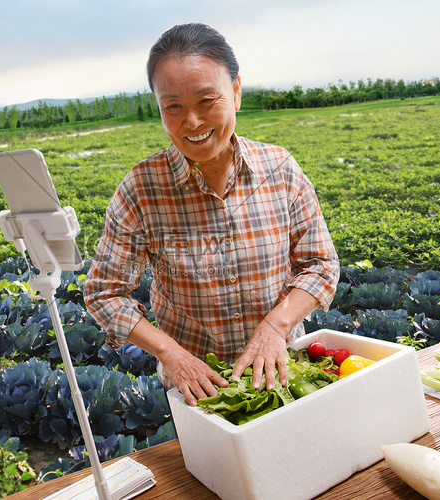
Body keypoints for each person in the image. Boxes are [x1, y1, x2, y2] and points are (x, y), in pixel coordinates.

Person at [84, 23, 339, 406]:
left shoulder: (279, 168)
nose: (192, 122)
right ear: (158, 108)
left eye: (206, 101)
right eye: (173, 106)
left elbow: (320, 265)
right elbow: (105, 293)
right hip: (196, 387)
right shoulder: (141, 189)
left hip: (284, 371)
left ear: (235, 93)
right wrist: (173, 355)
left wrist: (276, 325)